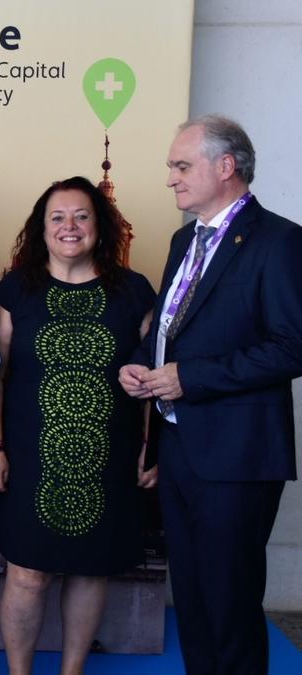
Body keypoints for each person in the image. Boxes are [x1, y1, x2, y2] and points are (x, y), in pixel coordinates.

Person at [120, 116, 302, 674]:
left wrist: (188, 379)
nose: (171, 179)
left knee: (230, 601)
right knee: (195, 600)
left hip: (239, 455)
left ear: (226, 167)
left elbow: (292, 347)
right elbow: (176, 328)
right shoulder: (184, 239)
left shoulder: (281, 241)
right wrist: (143, 364)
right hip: (181, 450)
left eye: (181, 166)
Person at [0, 176, 158, 675]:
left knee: (90, 571)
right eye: (57, 217)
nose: (69, 227)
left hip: (109, 457)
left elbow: (153, 376)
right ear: (41, 228)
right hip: (31, 457)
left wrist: (151, 447)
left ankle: (72, 671)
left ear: (101, 226)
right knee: (26, 573)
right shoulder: (14, 290)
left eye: (81, 216)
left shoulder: (135, 292)